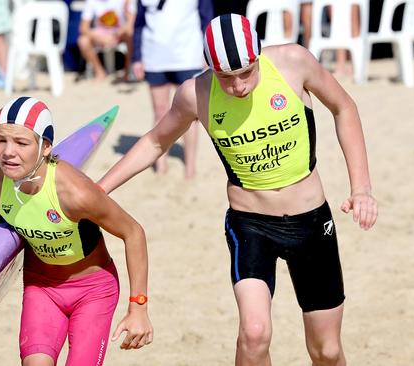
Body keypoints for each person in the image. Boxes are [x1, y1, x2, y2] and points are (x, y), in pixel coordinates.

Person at [99, 14, 377, 366]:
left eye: (247, 72)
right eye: (227, 78)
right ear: (210, 68)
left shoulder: (293, 62)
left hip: (311, 222)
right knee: (254, 333)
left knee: (327, 351)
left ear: (258, 55)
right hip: (251, 224)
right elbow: (155, 142)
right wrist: (99, 189)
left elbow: (344, 107)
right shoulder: (195, 94)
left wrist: (362, 187)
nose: (240, 86)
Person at [0, 96, 153, 365]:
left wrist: (138, 306)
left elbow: (133, 232)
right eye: (0, 140)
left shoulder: (75, 192)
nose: (8, 152)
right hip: (41, 287)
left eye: (21, 143)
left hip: (93, 291)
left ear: (45, 147)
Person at [132, 0, 214, 179]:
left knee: (191, 114)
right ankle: (161, 165)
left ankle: (190, 167)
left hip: (188, 55)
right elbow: (139, 22)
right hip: (154, 55)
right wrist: (136, 58)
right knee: (160, 111)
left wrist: (208, 53)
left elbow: (207, 17)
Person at [77, 0, 135, 81]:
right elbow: (83, 28)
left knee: (131, 34)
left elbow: (131, 23)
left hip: (119, 33)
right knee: (83, 41)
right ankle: (99, 72)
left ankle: (127, 72)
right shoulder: (91, 2)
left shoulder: (124, 1)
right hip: (100, 35)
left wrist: (116, 34)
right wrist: (101, 38)